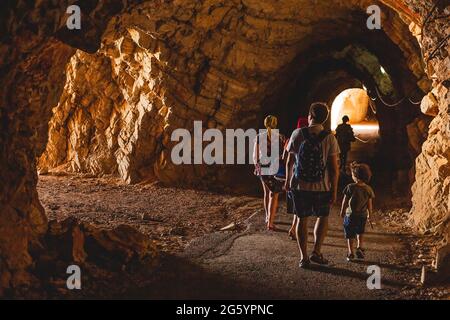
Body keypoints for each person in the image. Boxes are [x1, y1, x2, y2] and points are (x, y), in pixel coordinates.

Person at [285, 103, 340, 268]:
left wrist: (288, 182)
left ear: (310, 116)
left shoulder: (297, 133)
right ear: (325, 118)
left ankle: (304, 258)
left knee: (302, 219)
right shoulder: (330, 138)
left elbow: (290, 161)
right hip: (321, 187)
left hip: (299, 186)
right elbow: (334, 168)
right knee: (322, 217)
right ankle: (316, 251)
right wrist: (334, 189)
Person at [253, 115, 286, 231]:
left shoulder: (258, 137)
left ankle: (267, 217)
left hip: (262, 168)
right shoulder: (281, 137)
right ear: (276, 124)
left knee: (266, 193)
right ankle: (270, 223)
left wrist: (257, 166)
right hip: (275, 167)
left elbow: (255, 155)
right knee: (274, 195)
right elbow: (284, 154)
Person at [339, 162, 375, 262]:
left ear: (355, 176)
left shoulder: (350, 187)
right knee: (360, 232)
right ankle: (360, 247)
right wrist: (370, 216)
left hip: (350, 215)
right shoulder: (369, 189)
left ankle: (350, 252)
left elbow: (345, 201)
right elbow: (369, 205)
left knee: (350, 234)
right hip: (362, 216)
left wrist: (342, 211)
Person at [287, 116, 309, 240]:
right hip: (307, 178)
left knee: (297, 206)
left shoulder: (294, 137)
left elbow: (288, 161)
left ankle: (293, 228)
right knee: (301, 209)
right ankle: (295, 229)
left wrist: (287, 179)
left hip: (294, 177)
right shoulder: (311, 138)